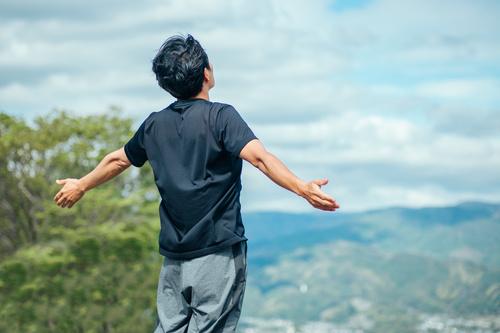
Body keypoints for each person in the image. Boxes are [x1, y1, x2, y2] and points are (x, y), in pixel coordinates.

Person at [53, 33, 340, 333]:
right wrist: (301, 188)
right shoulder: (220, 117)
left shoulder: (153, 125)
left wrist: (82, 184)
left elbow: (118, 160)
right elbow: (260, 158)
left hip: (174, 260)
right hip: (216, 254)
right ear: (206, 73)